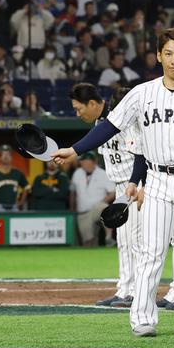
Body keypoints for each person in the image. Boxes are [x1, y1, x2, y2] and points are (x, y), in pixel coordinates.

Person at [52, 27, 174, 337]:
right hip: (158, 179)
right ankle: (143, 318)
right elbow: (109, 126)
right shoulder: (142, 93)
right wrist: (74, 149)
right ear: (157, 56)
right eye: (168, 53)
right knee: (150, 252)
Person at [70, 84, 141, 307]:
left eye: (79, 108)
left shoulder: (121, 118)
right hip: (121, 187)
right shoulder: (102, 124)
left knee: (136, 242)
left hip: (135, 186)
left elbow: (142, 152)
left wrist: (139, 184)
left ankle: (137, 292)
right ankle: (125, 290)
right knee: (124, 241)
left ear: (92, 103)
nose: (77, 114)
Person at [70, 152, 116, 247]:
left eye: (87, 162)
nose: (84, 164)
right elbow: (72, 192)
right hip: (83, 211)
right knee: (88, 242)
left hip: (97, 208)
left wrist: (102, 201)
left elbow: (113, 192)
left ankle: (108, 236)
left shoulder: (103, 173)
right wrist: (72, 208)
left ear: (94, 162)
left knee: (104, 208)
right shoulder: (77, 173)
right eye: (83, 162)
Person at [0, 145, 28, 212]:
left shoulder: (17, 173)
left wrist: (21, 202)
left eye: (8, 154)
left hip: (14, 206)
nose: (6, 156)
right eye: (3, 154)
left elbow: (26, 187)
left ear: (11, 157)